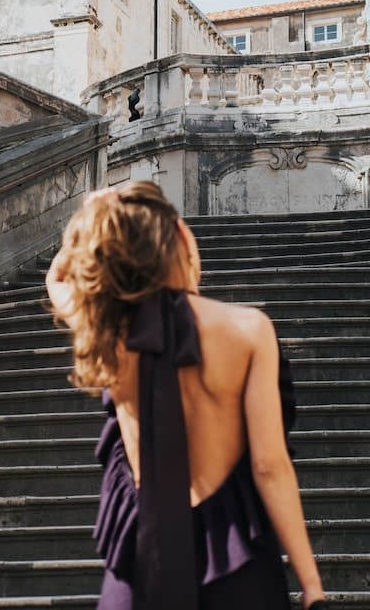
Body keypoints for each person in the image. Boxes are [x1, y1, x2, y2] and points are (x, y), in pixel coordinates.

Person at [46, 181, 326, 610]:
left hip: (142, 564)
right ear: (179, 235)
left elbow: (57, 277)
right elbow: (269, 467)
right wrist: (311, 584)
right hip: (235, 567)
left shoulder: (106, 332)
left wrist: (90, 217)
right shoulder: (249, 329)